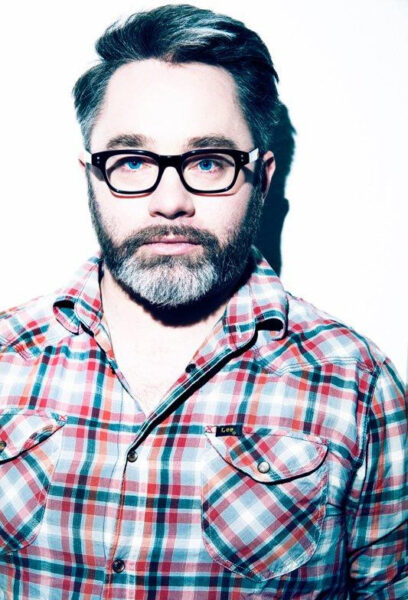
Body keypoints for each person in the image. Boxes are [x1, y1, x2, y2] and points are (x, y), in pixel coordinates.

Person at [0, 4, 406, 598]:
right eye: (131, 161)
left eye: (209, 162)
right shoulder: (5, 357)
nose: (170, 202)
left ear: (262, 178)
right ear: (91, 175)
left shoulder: (356, 385)